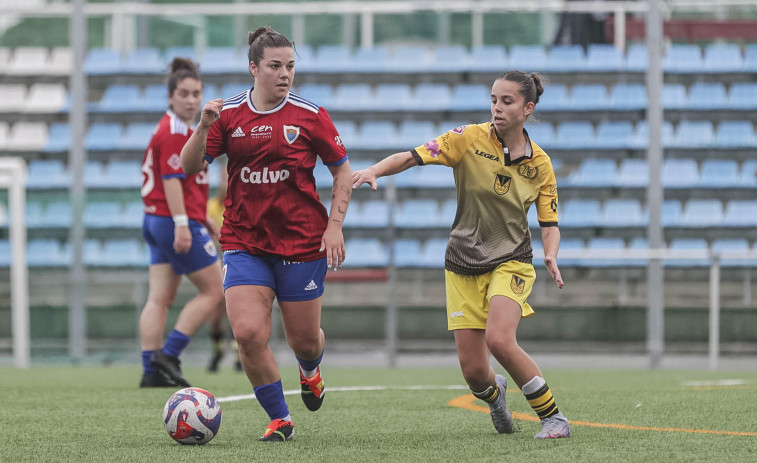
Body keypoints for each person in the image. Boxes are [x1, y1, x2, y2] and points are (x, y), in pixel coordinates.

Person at [352, 71, 571, 439]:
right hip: (462, 264)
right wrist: (375, 169)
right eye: (493, 100)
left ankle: (554, 418)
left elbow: (549, 222)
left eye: (507, 101)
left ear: (527, 108)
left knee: (499, 339)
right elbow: (412, 156)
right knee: (474, 373)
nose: (497, 108)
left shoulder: (541, 165)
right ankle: (495, 394)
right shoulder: (467, 139)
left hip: (511, 260)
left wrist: (550, 253)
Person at [180, 26, 352, 442]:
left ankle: (309, 369)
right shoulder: (230, 115)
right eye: (275, 66)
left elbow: (342, 170)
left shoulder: (311, 116)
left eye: (290, 66)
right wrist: (202, 127)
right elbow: (188, 166)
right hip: (244, 241)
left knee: (305, 341)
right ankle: (280, 417)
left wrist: (334, 227)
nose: (285, 74)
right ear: (253, 67)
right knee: (248, 333)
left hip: (302, 242)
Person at [139, 58, 226, 388]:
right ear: (171, 97)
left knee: (159, 298)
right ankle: (169, 354)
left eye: (197, 94)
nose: (191, 100)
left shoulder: (169, 126)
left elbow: (178, 182)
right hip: (172, 220)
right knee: (216, 290)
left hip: (155, 218)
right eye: (184, 94)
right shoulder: (176, 131)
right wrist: (182, 222)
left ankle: (150, 371)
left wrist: (200, 213)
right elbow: (172, 180)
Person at [205, 158, 242, 373]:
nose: (224, 181)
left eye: (227, 176)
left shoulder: (243, 203)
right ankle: (217, 349)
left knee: (241, 307)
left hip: (239, 261)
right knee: (217, 306)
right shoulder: (211, 207)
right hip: (218, 263)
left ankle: (240, 354)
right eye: (221, 177)